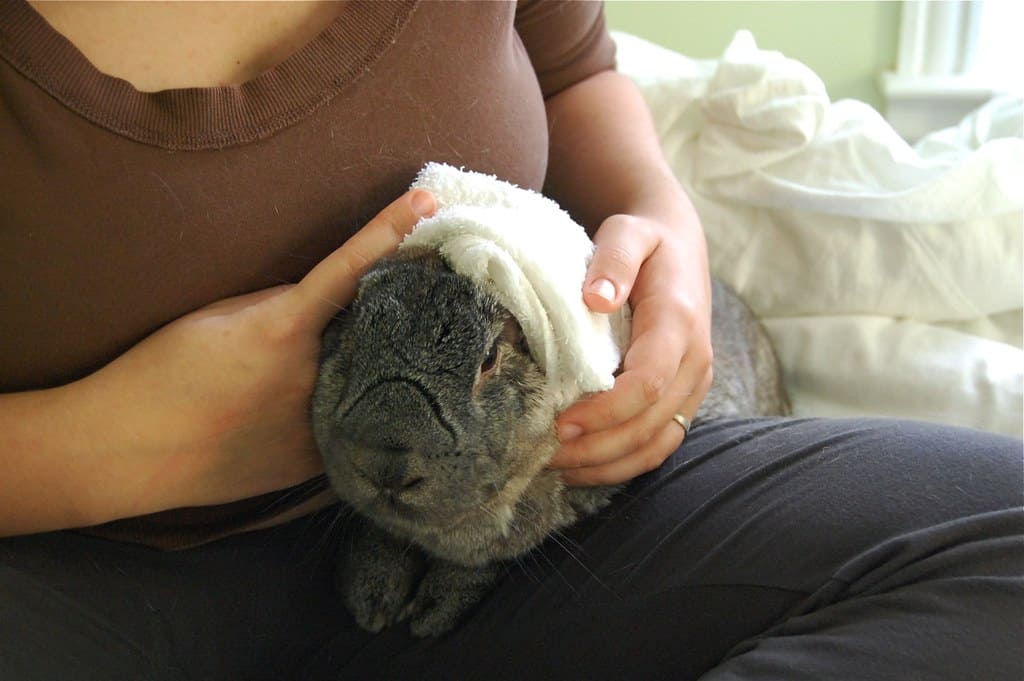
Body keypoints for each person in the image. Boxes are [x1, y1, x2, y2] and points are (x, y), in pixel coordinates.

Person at [0, 2, 1019, 680]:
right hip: (87, 567)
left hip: (539, 503)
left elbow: (576, 68)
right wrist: (104, 448)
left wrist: (657, 223)